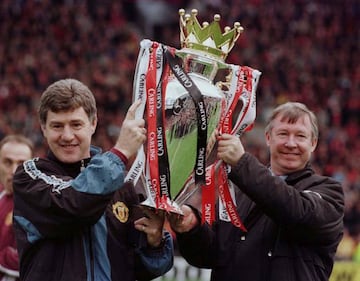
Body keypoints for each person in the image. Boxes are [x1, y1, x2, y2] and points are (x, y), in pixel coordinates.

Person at [12, 78, 173, 281]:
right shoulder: (29, 177)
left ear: (93, 124)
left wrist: (154, 242)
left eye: (76, 124)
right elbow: (73, 204)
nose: (67, 135)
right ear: (43, 128)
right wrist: (121, 151)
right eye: (57, 126)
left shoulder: (121, 186)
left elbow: (139, 269)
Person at [168, 102, 344, 281]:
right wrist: (192, 228)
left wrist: (242, 163)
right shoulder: (236, 193)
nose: (291, 143)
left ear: (313, 143)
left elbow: (296, 210)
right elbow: (210, 255)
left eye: (300, 136)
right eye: (283, 134)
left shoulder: (329, 192)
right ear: (268, 138)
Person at [0, 135, 34, 281]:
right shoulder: (2, 196)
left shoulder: (37, 205)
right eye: (7, 162)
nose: (14, 171)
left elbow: (32, 260)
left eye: (21, 164)